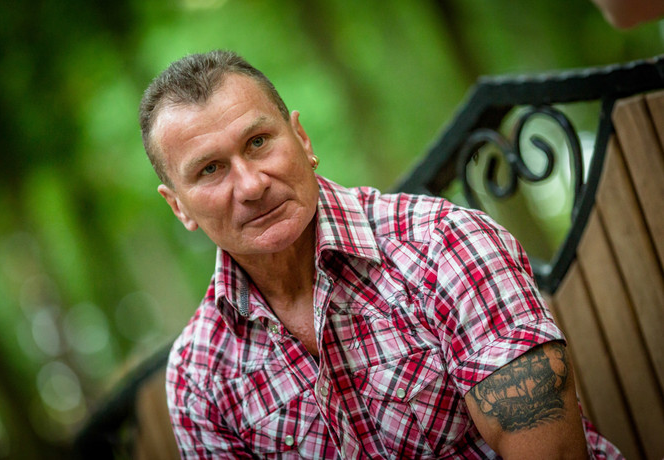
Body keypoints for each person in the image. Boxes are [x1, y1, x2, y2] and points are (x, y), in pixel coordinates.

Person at [138, 50, 623, 459]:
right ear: (178, 205)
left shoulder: (445, 244)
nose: (250, 186)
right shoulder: (199, 373)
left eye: (258, 142)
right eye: (210, 169)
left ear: (302, 139)